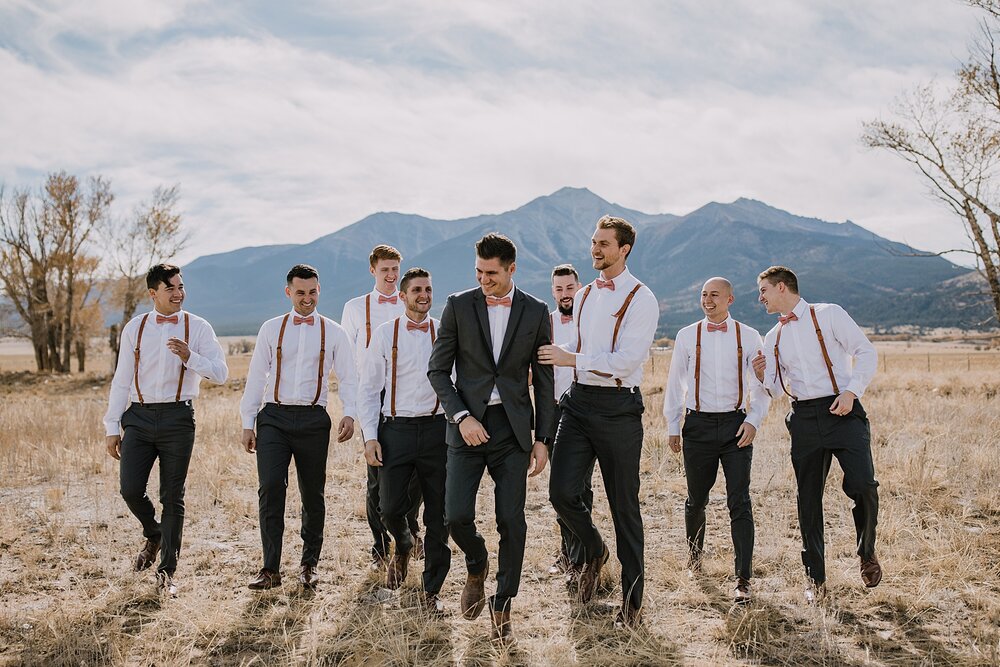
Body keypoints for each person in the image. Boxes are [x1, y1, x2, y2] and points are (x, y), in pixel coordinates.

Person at [427, 233, 554, 643]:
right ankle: (477, 562)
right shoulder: (458, 305)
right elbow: (437, 370)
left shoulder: (536, 311)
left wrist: (543, 438)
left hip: (514, 430)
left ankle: (503, 603)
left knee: (511, 520)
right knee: (455, 516)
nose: (484, 279)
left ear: (512, 269)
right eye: (479, 272)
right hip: (466, 426)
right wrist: (461, 415)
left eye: (492, 273)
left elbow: (546, 383)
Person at [539, 215, 658, 628]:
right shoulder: (586, 293)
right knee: (560, 493)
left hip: (618, 410)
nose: (595, 249)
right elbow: (580, 345)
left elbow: (626, 360)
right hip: (577, 403)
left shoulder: (643, 298)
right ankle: (594, 550)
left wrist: (574, 359)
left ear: (624, 249)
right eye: (593, 242)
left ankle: (632, 599)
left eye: (604, 243)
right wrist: (554, 349)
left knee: (624, 506)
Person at [753, 265, 881, 602]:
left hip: (843, 410)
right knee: (807, 498)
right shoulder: (772, 337)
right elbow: (778, 390)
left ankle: (866, 552)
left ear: (781, 287)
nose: (760, 298)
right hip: (804, 417)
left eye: (763, 291)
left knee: (864, 485)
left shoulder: (829, 314)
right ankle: (816, 579)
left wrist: (852, 392)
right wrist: (763, 375)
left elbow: (866, 352)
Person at [104, 263, 228, 596]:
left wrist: (192, 357)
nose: (178, 293)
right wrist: (111, 425)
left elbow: (221, 373)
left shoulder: (198, 327)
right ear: (153, 293)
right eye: (170, 288)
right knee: (130, 489)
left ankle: (167, 571)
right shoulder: (135, 327)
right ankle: (154, 532)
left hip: (178, 418)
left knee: (172, 496)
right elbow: (121, 379)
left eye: (181, 287)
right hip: (138, 417)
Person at [240, 264, 357, 590]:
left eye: (313, 292)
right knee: (272, 488)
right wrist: (247, 421)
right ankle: (270, 570)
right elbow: (256, 377)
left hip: (313, 420)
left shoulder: (334, 332)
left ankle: (309, 566)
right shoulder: (271, 329)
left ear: (319, 291)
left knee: (312, 494)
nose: (307, 298)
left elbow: (349, 376)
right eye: (300, 292)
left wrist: (350, 413)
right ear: (288, 292)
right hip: (274, 418)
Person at [663, 277, 770, 603]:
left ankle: (742, 579)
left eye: (714, 295)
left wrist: (753, 421)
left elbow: (760, 386)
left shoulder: (750, 337)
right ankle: (695, 558)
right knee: (696, 499)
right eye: (704, 295)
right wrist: (673, 424)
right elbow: (675, 382)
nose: (708, 300)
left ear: (730, 299)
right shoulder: (686, 335)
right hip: (698, 426)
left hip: (737, 425)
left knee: (740, 502)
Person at [358, 267, 450, 613]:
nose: (423, 295)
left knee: (439, 514)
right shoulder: (384, 334)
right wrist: (370, 437)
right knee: (390, 507)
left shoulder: (444, 332)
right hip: (394, 430)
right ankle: (404, 542)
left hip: (436, 430)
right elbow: (369, 390)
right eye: (416, 290)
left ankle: (432, 590)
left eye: (428, 289)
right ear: (402, 296)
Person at [341, 245, 423, 569]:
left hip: (408, 399)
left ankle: (408, 531)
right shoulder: (354, 308)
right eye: (385, 269)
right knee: (377, 473)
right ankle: (380, 546)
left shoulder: (412, 303)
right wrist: (350, 407)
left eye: (395, 270)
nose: (391, 276)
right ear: (373, 270)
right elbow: (346, 361)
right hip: (372, 397)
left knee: (414, 472)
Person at [546, 263, 593, 581]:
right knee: (560, 487)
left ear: (580, 287)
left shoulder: (592, 321)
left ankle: (583, 558)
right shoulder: (545, 323)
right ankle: (567, 552)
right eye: (559, 289)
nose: (565, 294)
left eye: (570, 288)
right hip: (553, 412)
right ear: (553, 292)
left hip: (585, 410)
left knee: (580, 486)